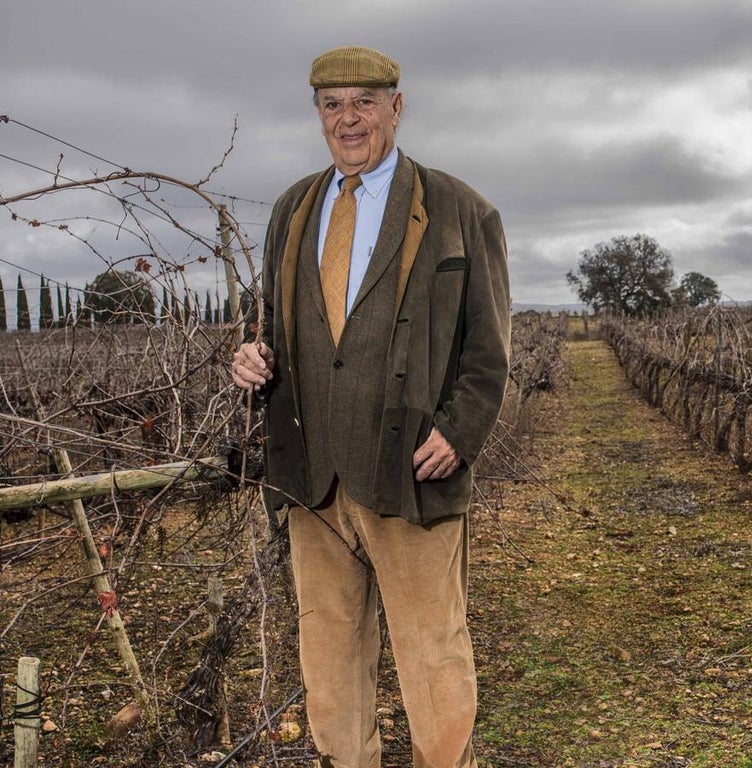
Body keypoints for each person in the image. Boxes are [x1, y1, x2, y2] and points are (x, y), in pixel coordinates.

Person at [231, 45, 510, 768]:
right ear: (317, 113)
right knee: (328, 658)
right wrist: (250, 355)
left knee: (433, 658)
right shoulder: (294, 207)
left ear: (396, 105)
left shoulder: (460, 210)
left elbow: (489, 351)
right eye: (332, 104)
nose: (347, 118)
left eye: (363, 101)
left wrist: (461, 430)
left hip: (410, 470)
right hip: (312, 475)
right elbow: (268, 319)